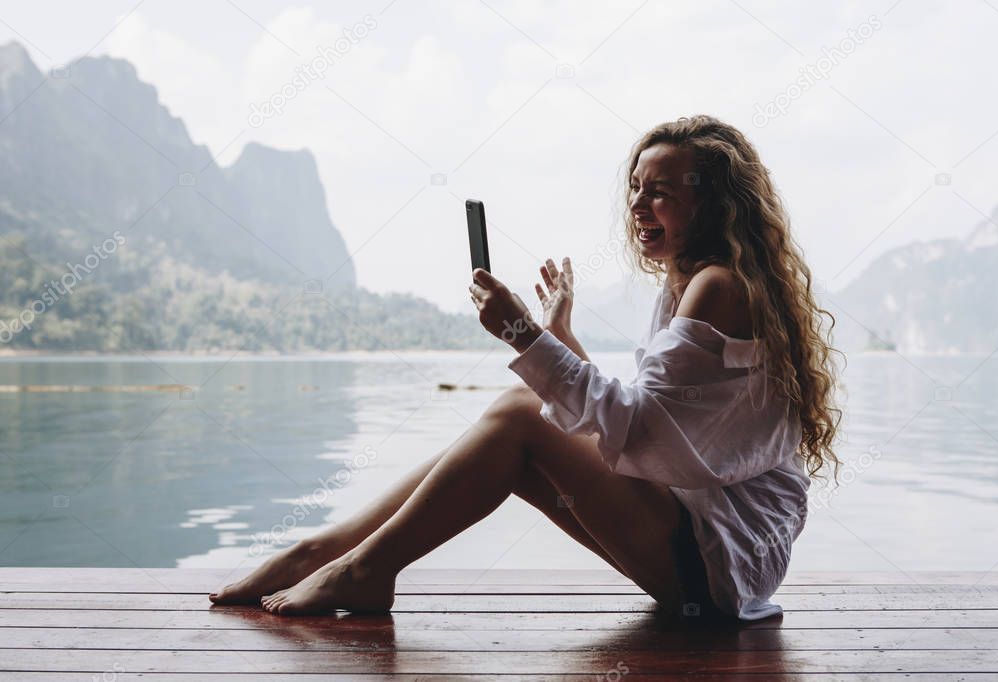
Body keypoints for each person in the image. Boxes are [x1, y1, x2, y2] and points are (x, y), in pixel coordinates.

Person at [209, 114, 843, 620]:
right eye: (637, 190)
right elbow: (653, 427)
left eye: (663, 193)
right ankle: (329, 553)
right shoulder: (687, 289)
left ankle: (355, 565)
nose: (641, 206)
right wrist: (559, 337)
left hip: (720, 563)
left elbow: (644, 437)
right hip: (699, 544)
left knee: (519, 416)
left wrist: (522, 335)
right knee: (523, 421)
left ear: (714, 206)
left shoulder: (718, 286)